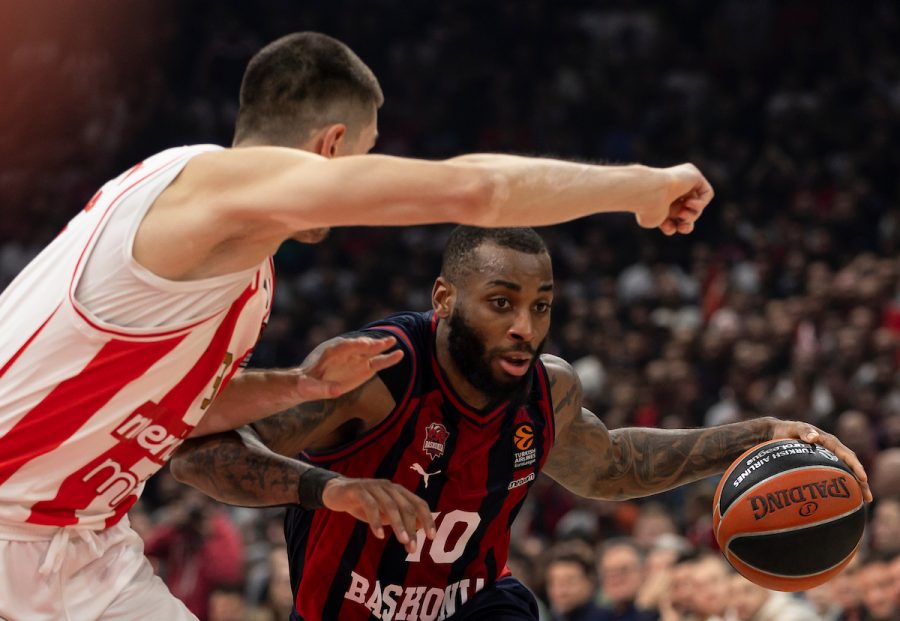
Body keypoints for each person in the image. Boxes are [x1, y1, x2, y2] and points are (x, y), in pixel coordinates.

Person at [0, 29, 718, 619]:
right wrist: (644, 186)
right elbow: (480, 189)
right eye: (366, 156)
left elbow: (180, 411)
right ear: (332, 148)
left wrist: (299, 386)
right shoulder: (208, 189)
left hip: (85, 540)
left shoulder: (247, 273)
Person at [171, 226, 870, 620]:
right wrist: (326, 488)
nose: (524, 327)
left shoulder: (546, 390)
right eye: (501, 302)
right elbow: (195, 452)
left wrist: (758, 434)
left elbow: (613, 465)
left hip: (475, 607)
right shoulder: (376, 372)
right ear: (445, 298)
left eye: (541, 306)